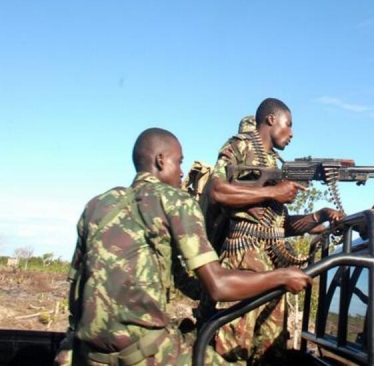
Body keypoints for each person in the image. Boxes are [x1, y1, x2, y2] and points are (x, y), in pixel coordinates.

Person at [54, 127, 311, 366]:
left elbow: (76, 289)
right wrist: (281, 276)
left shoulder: (97, 205)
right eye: (179, 162)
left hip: (88, 352)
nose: (181, 173)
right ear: (160, 160)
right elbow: (219, 286)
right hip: (144, 354)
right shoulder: (175, 201)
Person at [205, 98, 343, 365]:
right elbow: (216, 191)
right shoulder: (240, 145)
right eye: (288, 125)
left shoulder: (276, 165)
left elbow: (280, 226)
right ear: (270, 120)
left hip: (272, 265)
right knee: (231, 351)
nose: (291, 133)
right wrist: (273, 192)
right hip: (242, 260)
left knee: (270, 353)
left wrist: (321, 216)